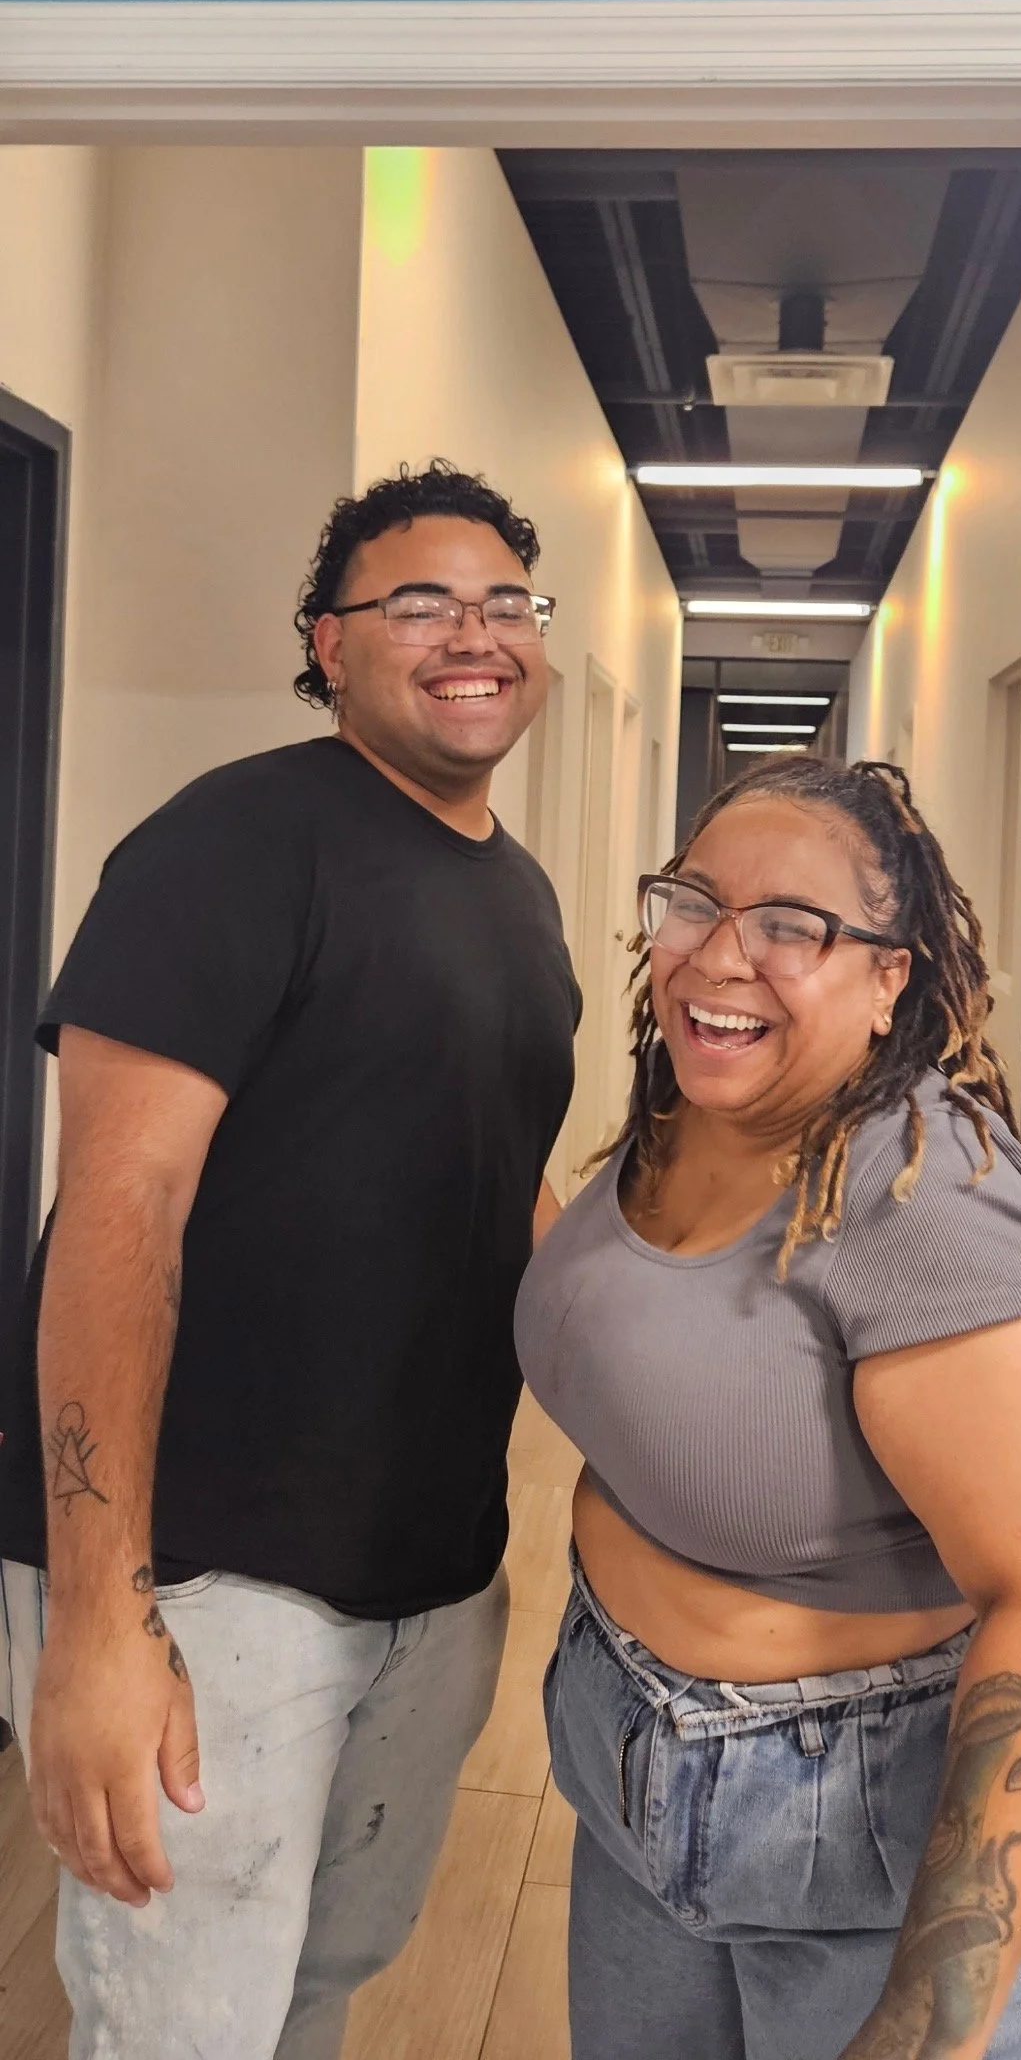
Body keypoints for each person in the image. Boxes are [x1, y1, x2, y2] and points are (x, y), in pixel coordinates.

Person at [0, 460, 580, 2060]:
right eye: (417, 603)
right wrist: (101, 1622)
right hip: (207, 1574)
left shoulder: (516, 898)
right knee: (180, 2027)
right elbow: (114, 1225)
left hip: (430, 1570)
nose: (473, 634)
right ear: (326, 645)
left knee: (318, 1990)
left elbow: (496, 1193)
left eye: (503, 602)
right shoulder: (233, 844)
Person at [516, 755, 1021, 2060]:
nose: (717, 957)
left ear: (888, 972)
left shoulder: (924, 1193)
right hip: (634, 1778)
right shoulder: (686, 1110)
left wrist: (932, 2018)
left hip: (869, 1828)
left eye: (791, 926)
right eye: (692, 902)